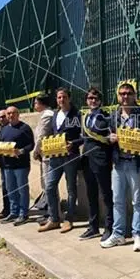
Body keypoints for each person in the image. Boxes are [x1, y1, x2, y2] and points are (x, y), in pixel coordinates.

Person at [100, 83, 140, 251]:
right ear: (118, 96)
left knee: (137, 201)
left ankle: (137, 234)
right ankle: (118, 234)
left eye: (128, 93)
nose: (125, 97)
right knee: (117, 200)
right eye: (122, 94)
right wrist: (109, 137)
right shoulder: (114, 115)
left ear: (134, 95)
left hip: (136, 163)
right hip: (118, 163)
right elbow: (104, 134)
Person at [38, 88, 82, 233]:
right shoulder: (55, 114)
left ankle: (69, 219)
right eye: (58, 97)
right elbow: (52, 134)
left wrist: (74, 144)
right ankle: (54, 218)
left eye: (64, 97)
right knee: (50, 187)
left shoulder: (77, 114)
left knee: (71, 189)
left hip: (70, 156)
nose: (61, 100)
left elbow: (84, 136)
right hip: (55, 157)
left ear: (69, 98)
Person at [79, 87, 113, 241]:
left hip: (101, 159)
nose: (92, 101)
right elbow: (84, 138)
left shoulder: (106, 117)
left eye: (95, 98)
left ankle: (109, 227)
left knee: (105, 194)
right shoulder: (85, 116)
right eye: (90, 98)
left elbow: (109, 137)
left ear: (100, 101)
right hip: (87, 159)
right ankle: (93, 226)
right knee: (91, 193)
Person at [0, 106, 35, 226]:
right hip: (7, 165)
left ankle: (23, 214)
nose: (10, 115)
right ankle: (13, 212)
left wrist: (21, 151)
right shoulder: (4, 129)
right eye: (8, 113)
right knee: (10, 190)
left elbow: (31, 145)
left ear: (18, 114)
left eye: (13, 113)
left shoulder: (24, 128)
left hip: (21, 165)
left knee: (22, 190)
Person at [31, 93, 54, 212]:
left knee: (48, 184)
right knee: (45, 184)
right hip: (44, 154)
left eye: (35, 102)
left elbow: (42, 136)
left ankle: (52, 211)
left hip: (47, 154)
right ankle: (50, 210)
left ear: (41, 103)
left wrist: (35, 152)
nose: (34, 105)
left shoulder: (47, 115)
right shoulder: (44, 114)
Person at [0, 109, 10, 219]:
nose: (1, 119)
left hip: (15, 163)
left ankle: (18, 209)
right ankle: (6, 209)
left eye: (3, 116)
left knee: (16, 187)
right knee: (5, 186)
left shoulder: (13, 127)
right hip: (3, 162)